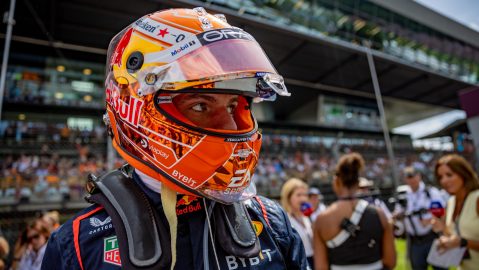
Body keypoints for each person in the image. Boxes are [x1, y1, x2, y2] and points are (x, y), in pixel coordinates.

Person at [42, 8, 308, 270]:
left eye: (233, 107)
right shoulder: (76, 246)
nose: (230, 125)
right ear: (136, 109)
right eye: (201, 106)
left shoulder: (272, 222)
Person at [313, 153, 396, 270]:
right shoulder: (379, 214)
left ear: (337, 181)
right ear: (358, 183)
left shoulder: (322, 219)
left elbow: (321, 267)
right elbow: (390, 262)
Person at [431, 154, 479, 270]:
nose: (444, 180)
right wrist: (443, 231)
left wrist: (464, 242)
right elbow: (455, 235)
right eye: (440, 177)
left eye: (449, 175)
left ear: (463, 173)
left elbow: (461, 241)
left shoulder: (477, 198)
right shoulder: (450, 202)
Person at [394, 166, 446, 270]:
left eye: (413, 176)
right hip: (414, 241)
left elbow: (442, 212)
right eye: (408, 177)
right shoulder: (403, 194)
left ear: (419, 176)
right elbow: (398, 212)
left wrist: (431, 220)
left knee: (440, 268)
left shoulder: (431, 192)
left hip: (431, 238)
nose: (411, 179)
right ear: (405, 179)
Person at [281, 178, 314, 268]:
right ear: (288, 197)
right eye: (298, 195)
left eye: (305, 195)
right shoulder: (284, 219)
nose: (303, 198)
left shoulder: (307, 217)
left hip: (314, 260)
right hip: (299, 263)